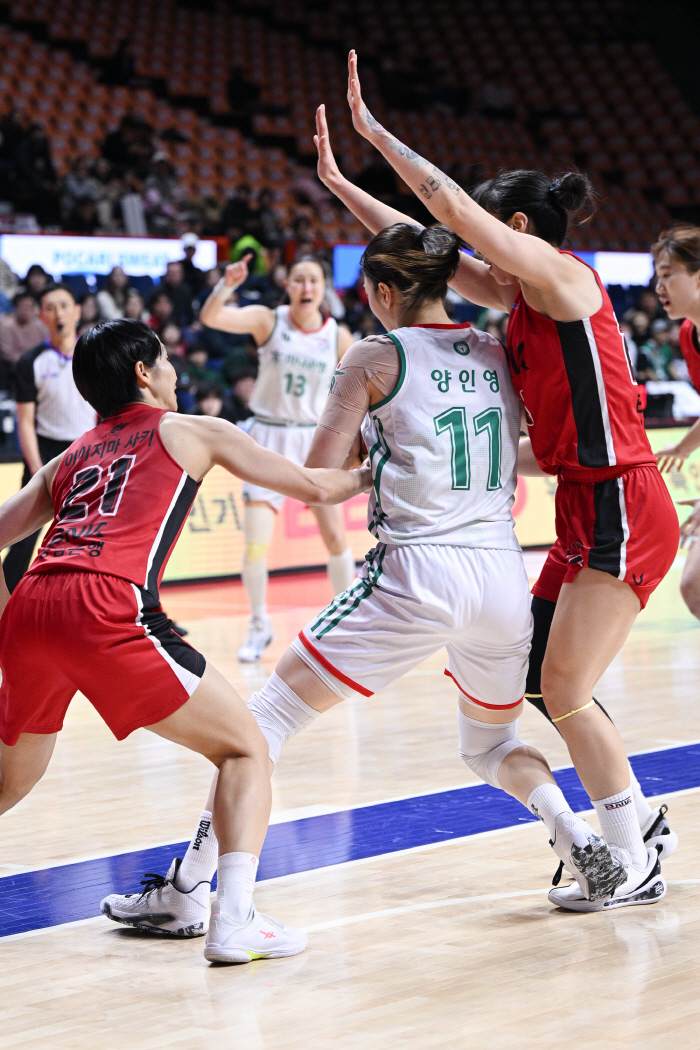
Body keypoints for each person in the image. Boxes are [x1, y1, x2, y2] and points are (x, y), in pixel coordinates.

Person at [105, 223, 636, 938]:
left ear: (385, 291)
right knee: (488, 744)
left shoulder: (373, 354)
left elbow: (318, 479)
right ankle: (573, 832)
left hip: (417, 570)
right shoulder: (494, 349)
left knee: (262, 722)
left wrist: (368, 453)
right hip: (501, 574)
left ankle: (194, 890)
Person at [332, 53, 679, 910]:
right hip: (584, 506)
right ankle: (634, 823)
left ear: (517, 226)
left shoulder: (566, 283)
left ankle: (631, 855)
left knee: (563, 689)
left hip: (623, 504)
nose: (466, 248)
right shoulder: (520, 299)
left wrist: (378, 134)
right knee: (536, 679)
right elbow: (419, 251)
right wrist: (344, 185)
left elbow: (443, 212)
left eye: (485, 231)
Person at [0, 318, 369, 963]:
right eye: (166, 361)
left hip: (31, 607)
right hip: (105, 605)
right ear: (144, 372)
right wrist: (384, 467)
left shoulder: (71, 455)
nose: (175, 371)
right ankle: (235, 922)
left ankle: (207, 907)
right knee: (246, 749)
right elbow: (316, 487)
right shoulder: (192, 429)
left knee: (7, 786)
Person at [200, 253, 357, 662]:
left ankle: (343, 626)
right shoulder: (268, 320)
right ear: (288, 285)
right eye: (299, 280)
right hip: (268, 438)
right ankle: (258, 625)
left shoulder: (338, 336)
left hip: (314, 443)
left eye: (314, 281)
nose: (306, 288)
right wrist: (227, 285)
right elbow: (212, 317)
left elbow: (362, 389)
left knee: (337, 539)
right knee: (254, 546)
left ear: (324, 290)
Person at [2, 283, 97, 593]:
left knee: (97, 534)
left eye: (64, 305)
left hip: (89, 451)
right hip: (44, 451)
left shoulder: (94, 356)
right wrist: (37, 469)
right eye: (51, 307)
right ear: (42, 316)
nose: (59, 313)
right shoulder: (31, 361)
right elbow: (25, 421)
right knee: (22, 537)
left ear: (77, 312)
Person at [651, 225, 700, 619]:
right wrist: (684, 447)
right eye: (657, 276)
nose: (658, 286)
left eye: (668, 275)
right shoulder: (688, 334)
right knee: (695, 586)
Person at [0, 290, 49, 384]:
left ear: (34, 309)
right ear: (15, 308)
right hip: (14, 367)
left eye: (28, 307)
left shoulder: (40, 327)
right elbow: (7, 354)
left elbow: (46, 347)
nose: (25, 310)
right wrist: (28, 363)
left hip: (39, 365)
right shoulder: (6, 326)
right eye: (22, 306)